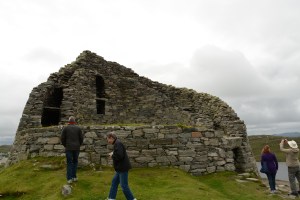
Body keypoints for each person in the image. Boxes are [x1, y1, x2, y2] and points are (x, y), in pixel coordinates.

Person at [106, 132, 137, 200]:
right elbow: (119, 152)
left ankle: (132, 199)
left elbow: (119, 156)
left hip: (122, 168)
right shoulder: (117, 143)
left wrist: (112, 155)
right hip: (120, 168)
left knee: (124, 185)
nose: (108, 141)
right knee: (114, 182)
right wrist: (113, 152)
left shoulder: (118, 143)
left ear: (111, 138)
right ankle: (111, 198)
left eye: (108, 139)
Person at [61, 116, 83, 184]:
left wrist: (65, 145)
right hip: (76, 148)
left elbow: (62, 138)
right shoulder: (78, 128)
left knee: (69, 163)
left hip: (69, 148)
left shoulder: (65, 128)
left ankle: (69, 179)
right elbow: (81, 139)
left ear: (69, 122)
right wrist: (79, 145)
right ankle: (74, 177)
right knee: (75, 162)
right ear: (74, 122)